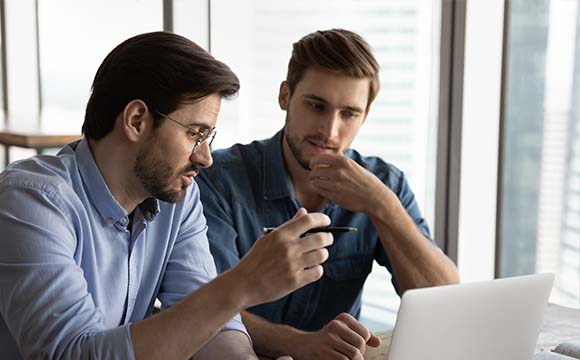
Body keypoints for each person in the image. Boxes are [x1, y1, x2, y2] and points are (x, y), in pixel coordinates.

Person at [0, 31, 334, 360]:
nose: (205, 158)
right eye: (195, 134)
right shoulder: (31, 202)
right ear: (136, 120)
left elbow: (210, 325)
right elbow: (73, 354)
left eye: (209, 137)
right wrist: (242, 284)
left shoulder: (178, 199)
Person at [196, 28, 460, 359]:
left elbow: (445, 301)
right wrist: (298, 344)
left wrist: (382, 207)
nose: (330, 131)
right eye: (317, 106)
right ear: (285, 96)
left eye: (348, 113)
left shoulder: (385, 184)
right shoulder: (218, 180)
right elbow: (202, 306)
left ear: (364, 116)